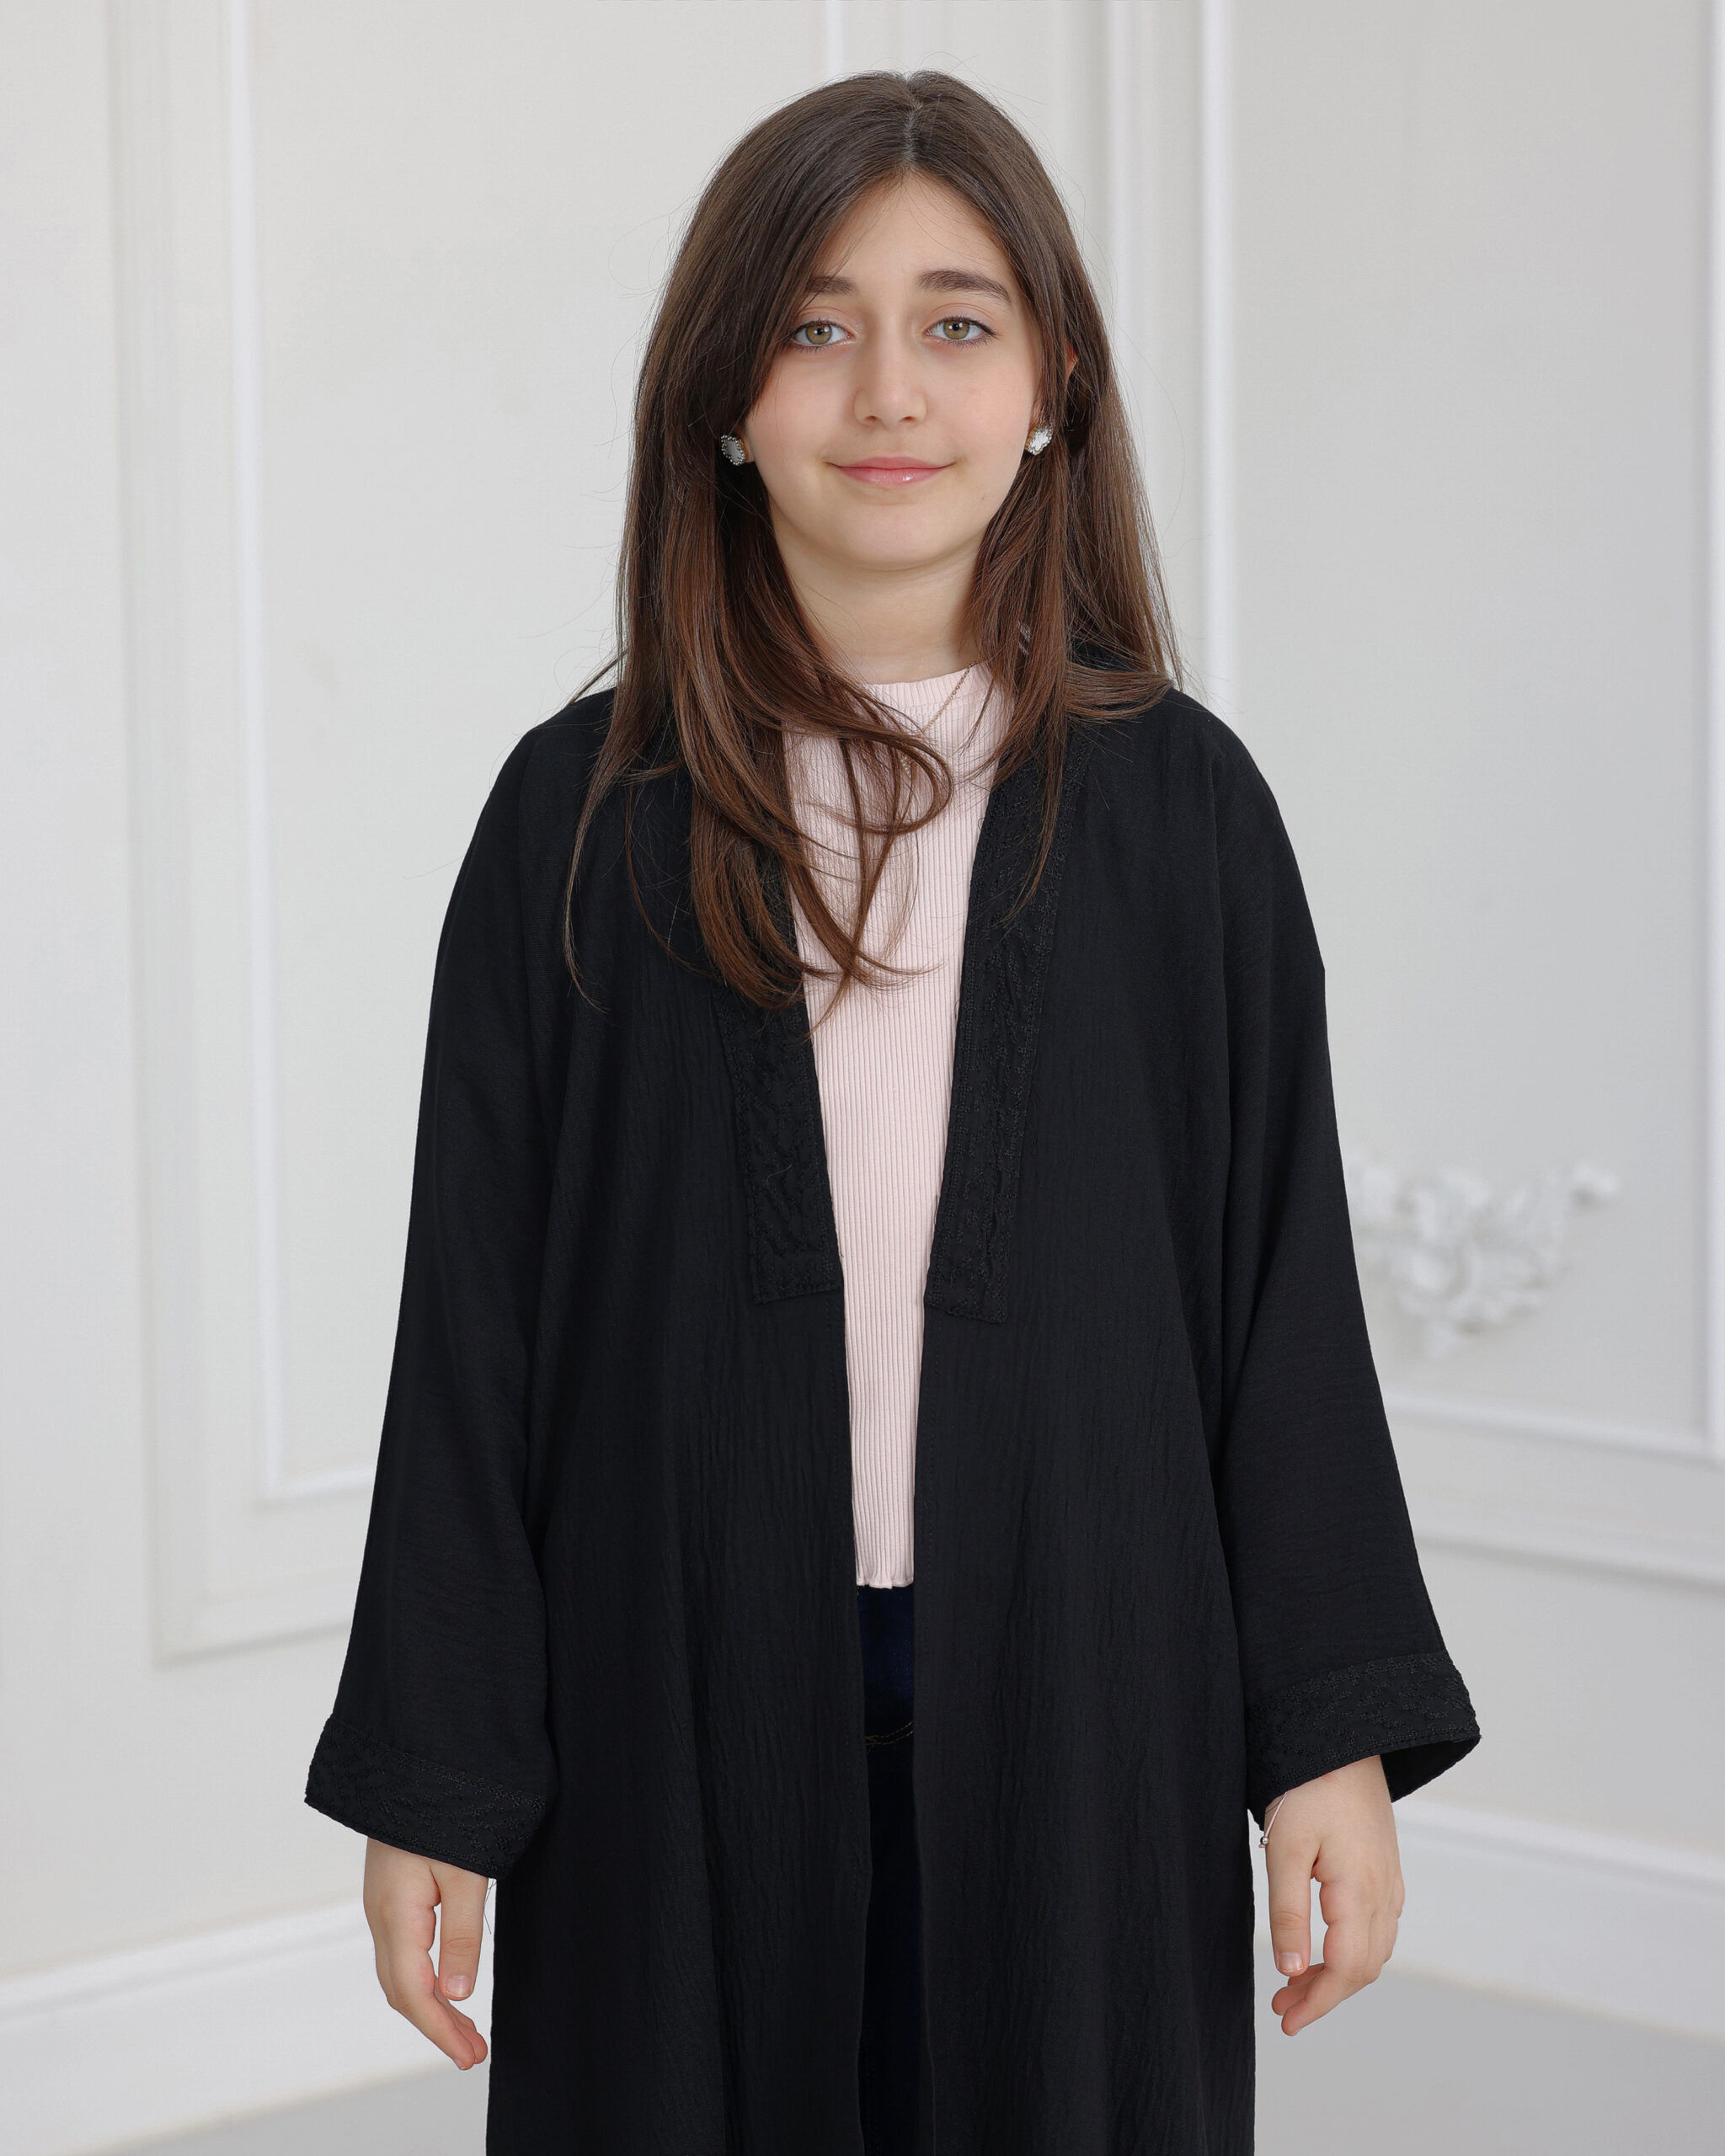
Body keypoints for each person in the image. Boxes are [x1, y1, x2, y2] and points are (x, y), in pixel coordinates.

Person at [304, 68, 1480, 2154]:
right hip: (671, 1686)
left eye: (956, 321)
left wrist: (1325, 1737)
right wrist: (438, 1771)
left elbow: (1278, 1303)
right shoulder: (575, 819)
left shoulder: (1186, 818)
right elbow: (471, 1328)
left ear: (1051, 385)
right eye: (813, 324)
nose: (887, 390)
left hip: (1086, 1677)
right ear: (719, 397)